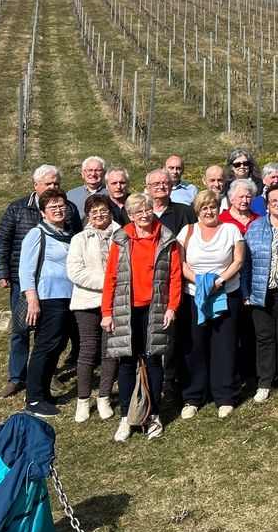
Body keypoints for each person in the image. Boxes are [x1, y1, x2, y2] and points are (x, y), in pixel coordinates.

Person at [0, 164, 82, 399]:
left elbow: (74, 239)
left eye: (56, 183)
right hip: (24, 282)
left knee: (51, 335)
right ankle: (16, 377)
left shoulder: (69, 209)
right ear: (35, 185)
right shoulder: (18, 208)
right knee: (21, 330)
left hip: (60, 287)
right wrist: (2, 271)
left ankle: (48, 375)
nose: (52, 187)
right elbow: (3, 240)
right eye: (48, 183)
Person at [102, 193, 181, 443]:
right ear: (130, 216)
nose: (145, 215)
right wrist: (106, 312)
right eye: (138, 212)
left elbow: (175, 277)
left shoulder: (167, 239)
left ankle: (154, 414)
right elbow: (111, 277)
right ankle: (126, 416)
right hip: (126, 308)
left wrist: (172, 307)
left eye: (147, 210)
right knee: (126, 362)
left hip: (155, 307)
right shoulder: (122, 239)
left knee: (153, 360)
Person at [178, 190, 245, 419]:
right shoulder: (187, 231)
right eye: (204, 208)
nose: (209, 211)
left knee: (224, 346)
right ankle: (193, 396)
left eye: (213, 207)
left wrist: (218, 282)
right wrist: (199, 282)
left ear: (219, 208)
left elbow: (238, 260)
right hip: (195, 296)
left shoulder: (230, 230)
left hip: (226, 293)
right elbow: (181, 262)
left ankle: (225, 396)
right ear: (198, 211)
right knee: (195, 346)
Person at [19, 189, 77, 418]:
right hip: (48, 298)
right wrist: (32, 300)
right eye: (52, 207)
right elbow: (26, 270)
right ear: (43, 212)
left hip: (68, 298)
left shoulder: (68, 234)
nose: (58, 210)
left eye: (61, 205)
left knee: (57, 346)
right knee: (45, 347)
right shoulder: (37, 234)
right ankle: (33, 398)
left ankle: (44, 393)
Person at [66, 194, 122, 423]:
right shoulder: (79, 239)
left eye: (103, 211)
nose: (100, 215)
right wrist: (106, 282)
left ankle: (105, 397)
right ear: (88, 216)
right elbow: (75, 271)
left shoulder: (122, 236)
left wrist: (114, 287)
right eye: (94, 212)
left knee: (111, 350)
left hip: (117, 300)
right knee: (88, 349)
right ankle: (83, 400)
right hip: (88, 301)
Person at [242, 183, 278, 403]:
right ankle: (264, 382)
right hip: (261, 290)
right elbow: (246, 262)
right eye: (273, 201)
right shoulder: (256, 227)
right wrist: (246, 291)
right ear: (267, 205)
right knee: (264, 338)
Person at [145, 168, 197, 237]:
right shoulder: (140, 213)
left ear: (171, 186)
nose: (161, 187)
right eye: (156, 184)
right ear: (148, 188)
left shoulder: (186, 211)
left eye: (165, 183)